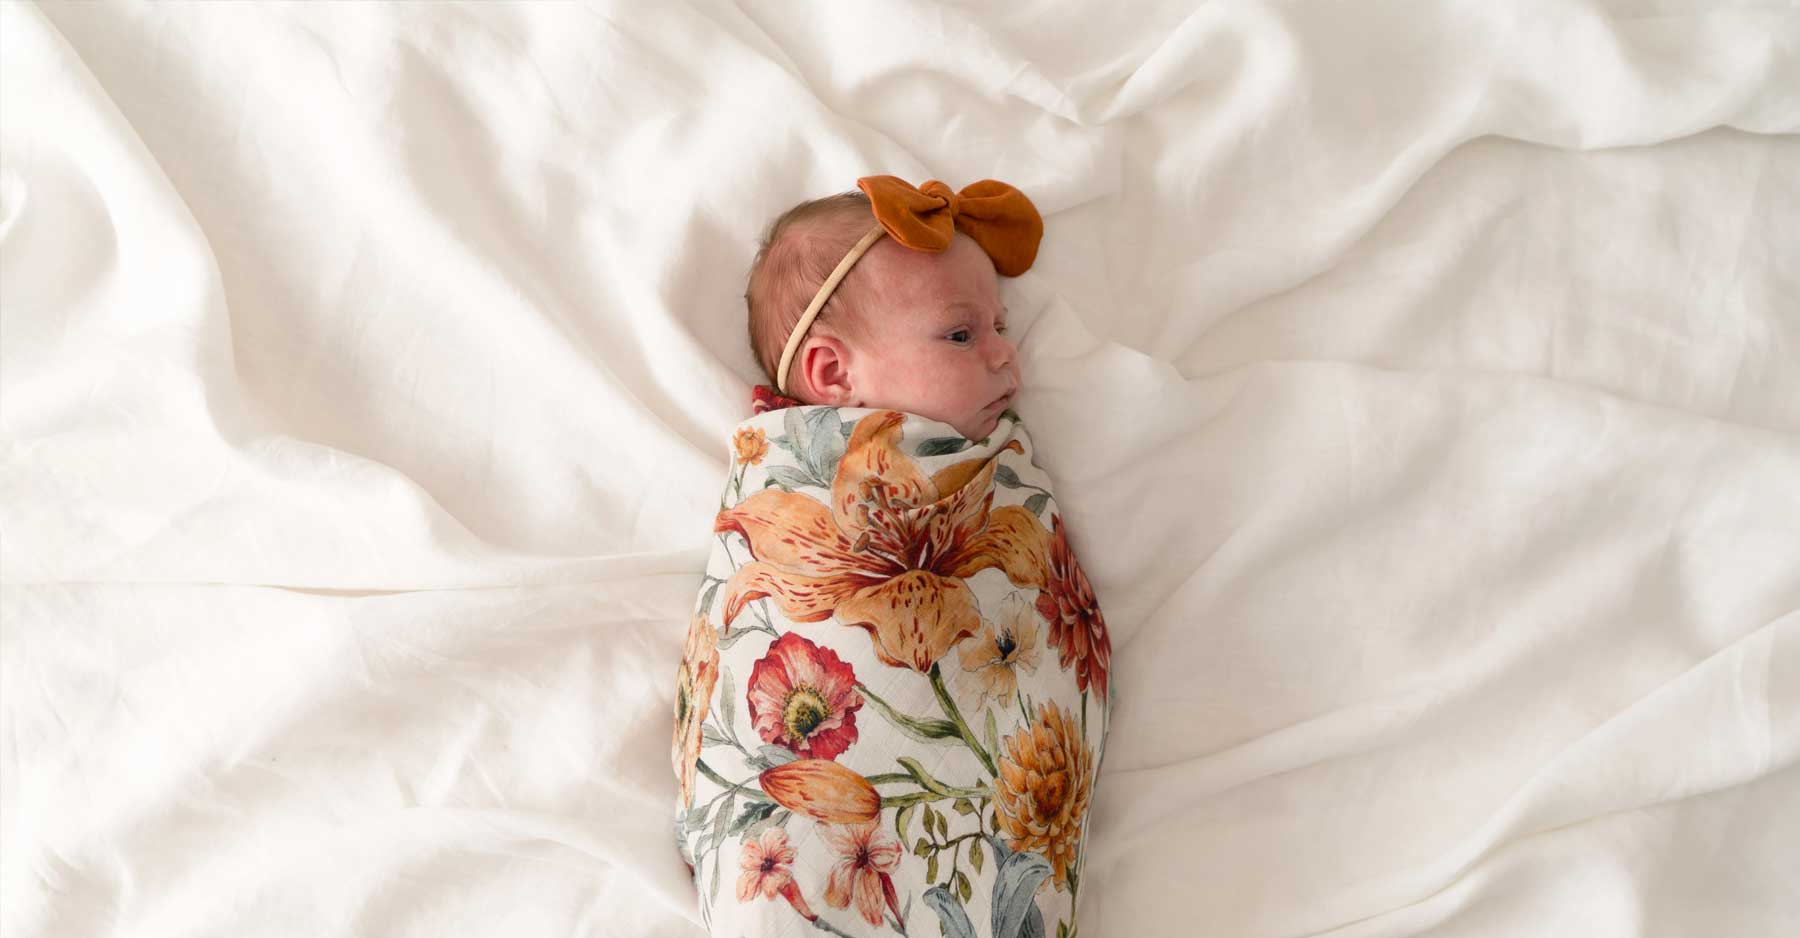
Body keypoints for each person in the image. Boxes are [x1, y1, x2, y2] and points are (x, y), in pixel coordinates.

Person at [673, 176, 1113, 938]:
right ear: (833, 374)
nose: (1007, 353)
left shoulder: (991, 469)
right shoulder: (781, 478)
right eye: (961, 334)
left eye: (999, 325)